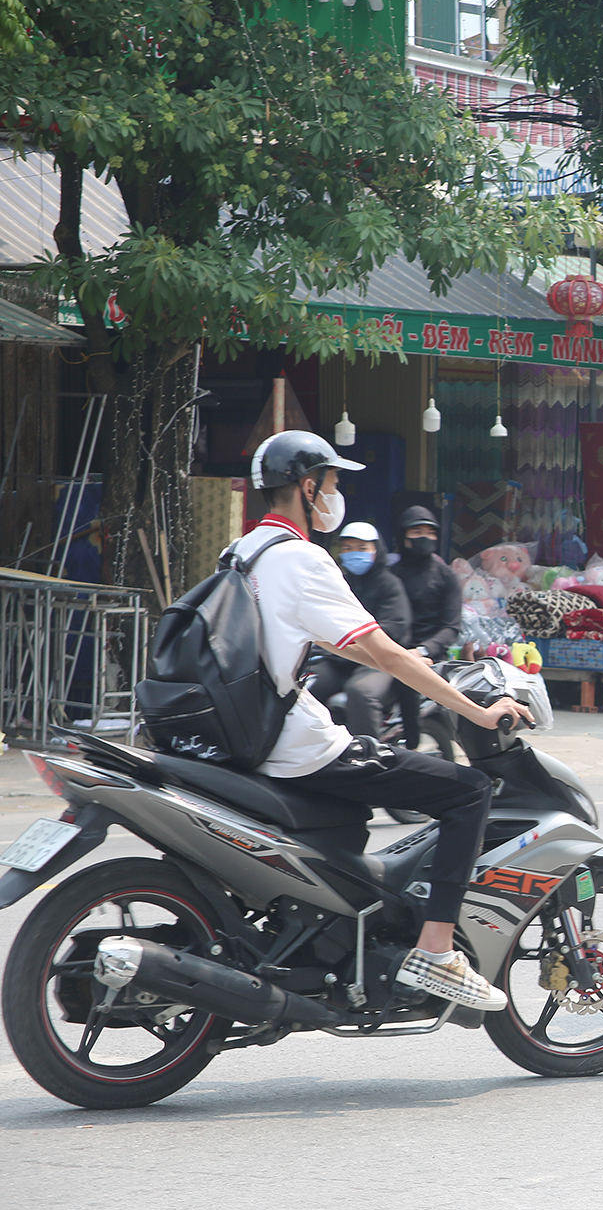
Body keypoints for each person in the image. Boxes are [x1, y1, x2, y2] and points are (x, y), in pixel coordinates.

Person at [240, 432, 534, 1009]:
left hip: (247, 735)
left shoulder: (244, 552)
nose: (336, 493)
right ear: (307, 487)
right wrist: (476, 709)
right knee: (469, 791)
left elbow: (353, 646)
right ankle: (436, 951)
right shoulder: (302, 558)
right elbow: (389, 653)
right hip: (297, 744)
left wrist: (386, 656)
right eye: (332, 482)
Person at [307, 522, 411, 739]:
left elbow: (394, 626)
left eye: (362, 549)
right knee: (309, 688)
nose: (354, 553)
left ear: (376, 550)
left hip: (377, 659)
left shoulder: (390, 584)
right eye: (348, 548)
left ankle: (368, 756)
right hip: (338, 657)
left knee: (361, 692)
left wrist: (355, 643)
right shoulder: (339, 581)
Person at [388, 505, 463, 746]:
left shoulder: (446, 576)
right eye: (416, 531)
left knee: (406, 679)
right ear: (403, 535)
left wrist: (422, 650)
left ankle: (412, 745)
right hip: (390, 648)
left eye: (430, 532)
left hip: (429, 655)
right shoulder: (389, 575)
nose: (424, 538)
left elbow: (451, 627)